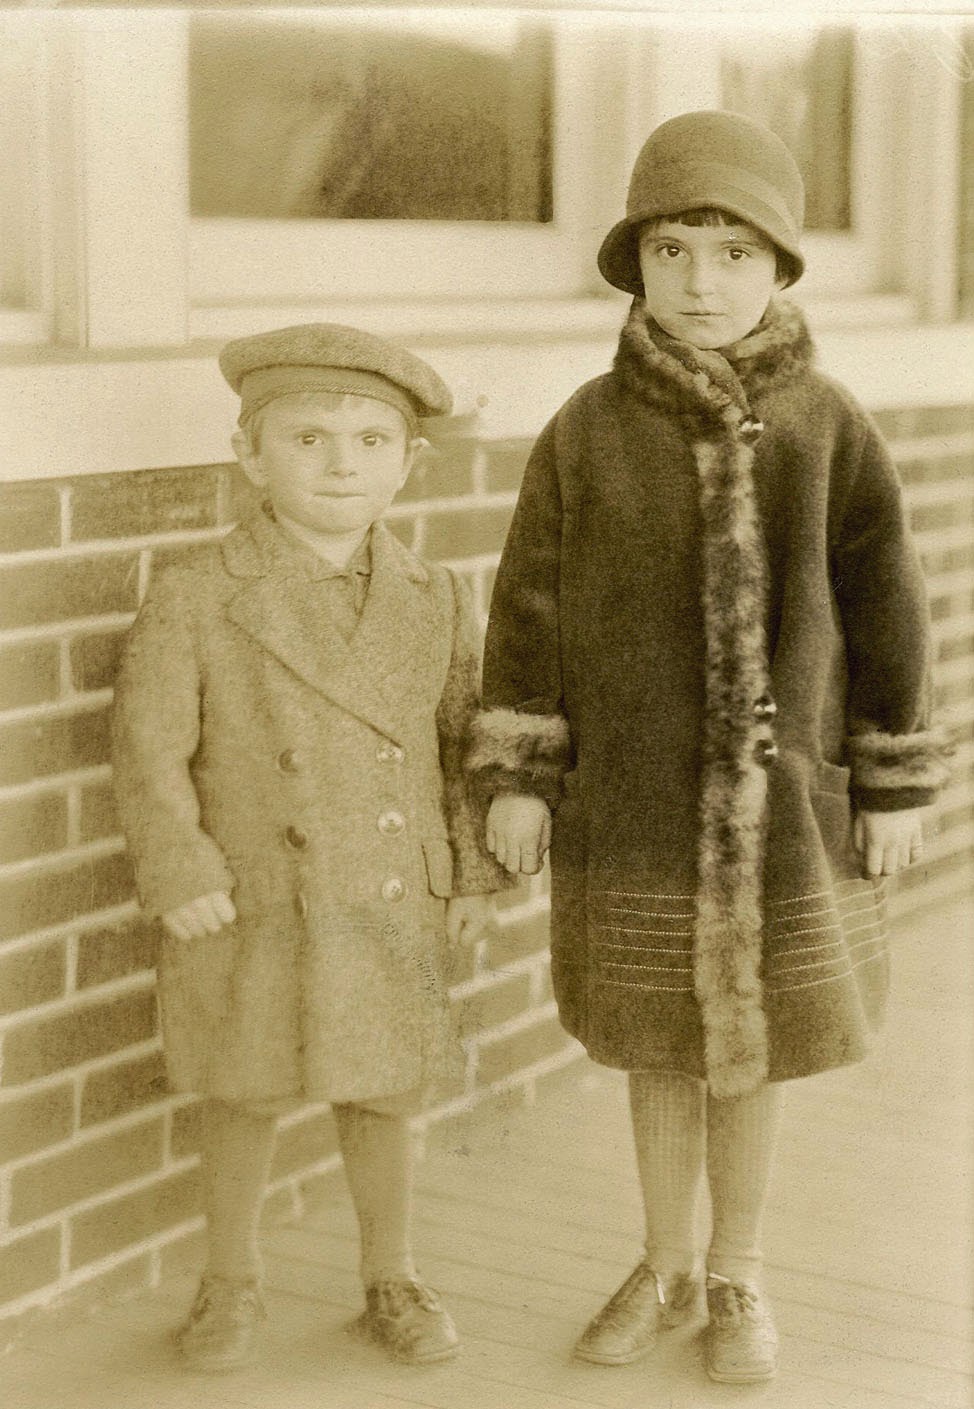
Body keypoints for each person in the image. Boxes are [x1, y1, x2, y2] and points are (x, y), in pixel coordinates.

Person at [466, 110, 949, 1385]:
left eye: (734, 253)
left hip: (784, 802)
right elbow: (526, 611)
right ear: (634, 265)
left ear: (778, 267)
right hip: (631, 797)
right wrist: (519, 774)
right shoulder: (584, 429)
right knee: (655, 1034)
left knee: (755, 1043)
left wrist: (892, 776)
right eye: (671, 251)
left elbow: (890, 610)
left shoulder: (827, 426)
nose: (700, 282)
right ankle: (663, 1257)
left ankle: (736, 1267)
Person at [112, 323, 509, 1373]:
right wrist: (179, 865)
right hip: (254, 892)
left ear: (408, 463)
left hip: (389, 893)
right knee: (243, 1084)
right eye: (308, 438)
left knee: (383, 1084)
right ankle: (228, 1278)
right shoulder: (198, 592)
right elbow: (148, 750)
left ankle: (391, 1274)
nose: (342, 464)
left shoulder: (435, 595)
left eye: (371, 441)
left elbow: (461, 744)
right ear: (249, 455)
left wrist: (468, 871)